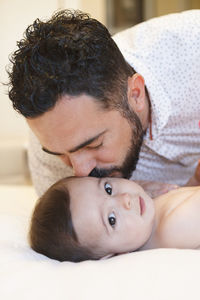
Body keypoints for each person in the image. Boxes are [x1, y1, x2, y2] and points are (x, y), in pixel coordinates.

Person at [7, 9, 200, 197]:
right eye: (62, 155)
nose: (80, 172)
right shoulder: (49, 157)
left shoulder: (192, 48)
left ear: (135, 94)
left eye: (94, 145)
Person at [29, 161, 200, 262]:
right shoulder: (170, 229)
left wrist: (194, 181)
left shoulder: (150, 217)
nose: (125, 199)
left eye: (108, 188)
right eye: (112, 220)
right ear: (112, 256)